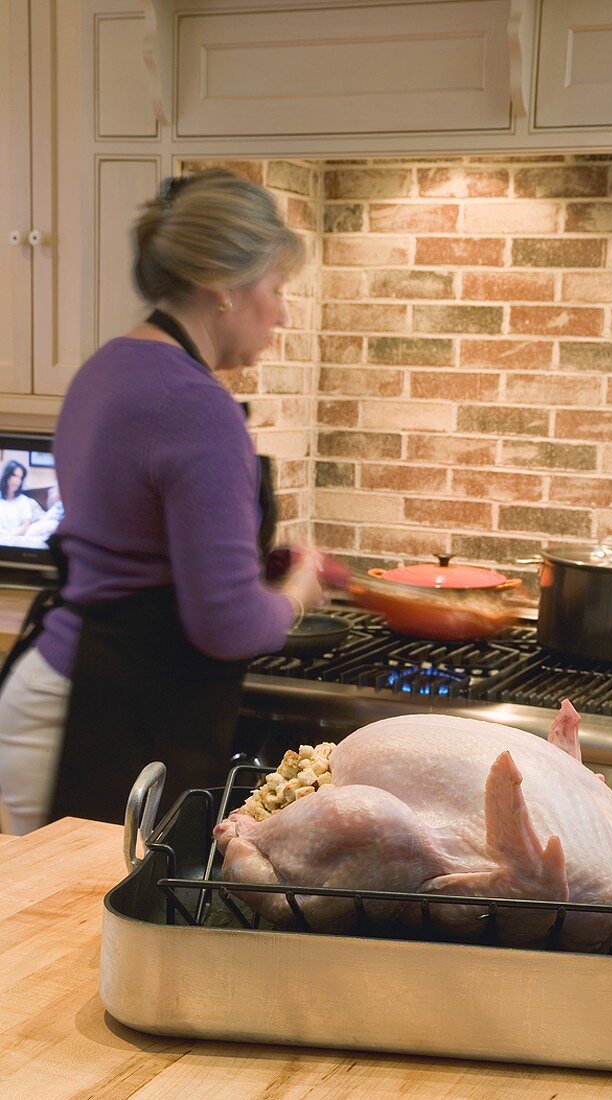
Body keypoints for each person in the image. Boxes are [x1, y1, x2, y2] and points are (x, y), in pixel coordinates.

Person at [0, 170, 326, 835]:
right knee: (81, 929)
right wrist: (297, 590)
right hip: (105, 716)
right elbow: (228, 624)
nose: (284, 314)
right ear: (221, 287)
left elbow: (142, 551)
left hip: (58, 685)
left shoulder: (107, 368)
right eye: (276, 289)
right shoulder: (196, 406)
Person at [0, 461, 44, 541]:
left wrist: (8, 537)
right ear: (6, 476)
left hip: (14, 539)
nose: (18, 481)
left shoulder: (23, 500)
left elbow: (25, 526)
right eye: (15, 476)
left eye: (21, 478)